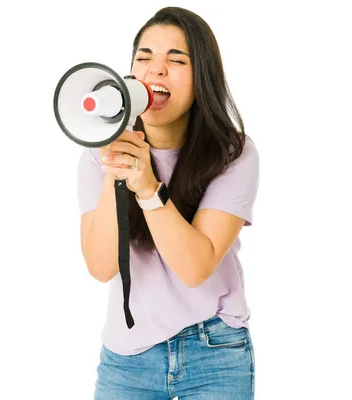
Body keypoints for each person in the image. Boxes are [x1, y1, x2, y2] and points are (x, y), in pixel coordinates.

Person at [76, 6, 260, 400]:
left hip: (215, 352)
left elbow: (195, 268)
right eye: (144, 57)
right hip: (128, 357)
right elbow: (100, 265)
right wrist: (116, 171)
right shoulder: (97, 154)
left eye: (175, 60)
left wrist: (147, 187)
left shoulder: (232, 153)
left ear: (203, 77)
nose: (155, 69)